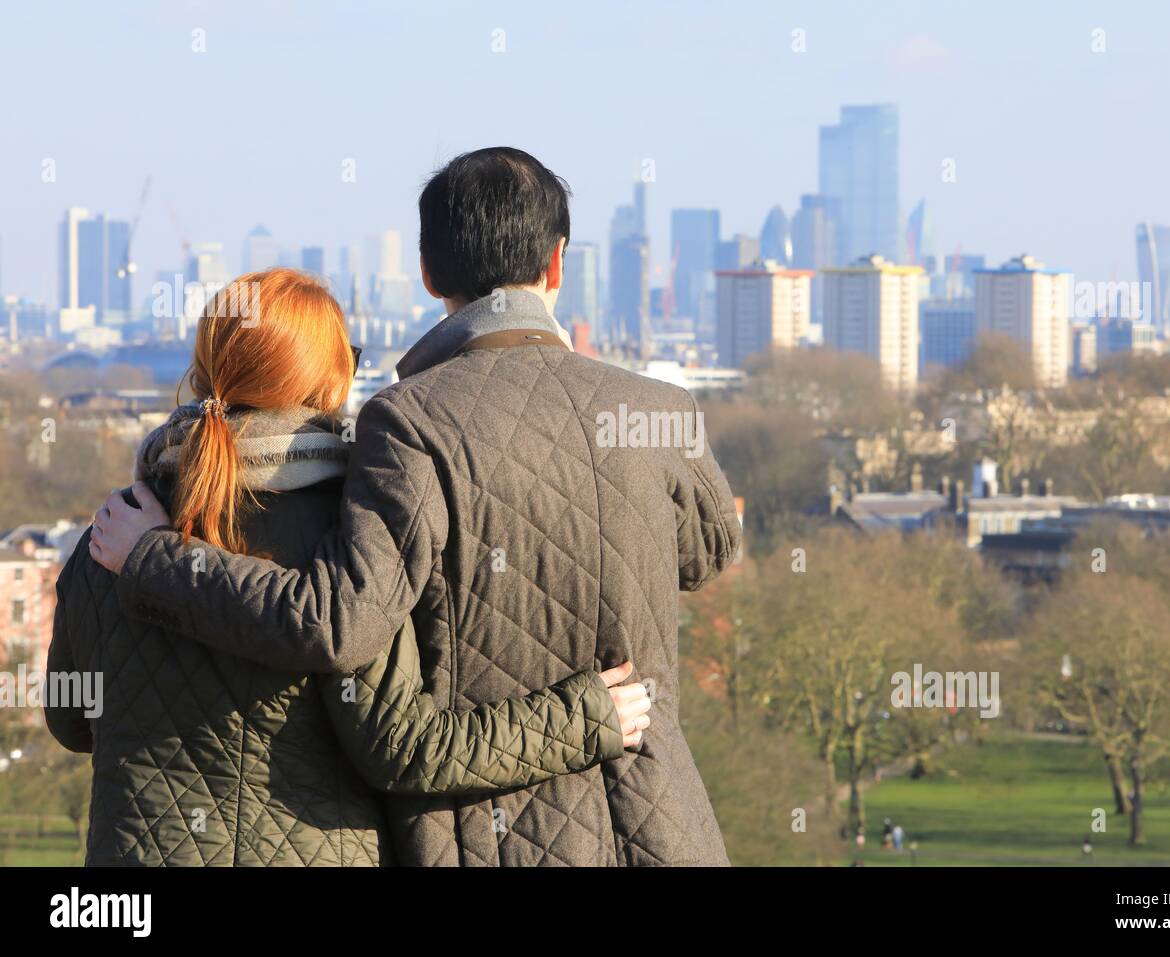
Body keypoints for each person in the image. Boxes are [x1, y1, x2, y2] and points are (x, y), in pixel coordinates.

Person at [90, 147, 741, 866]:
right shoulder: (661, 410)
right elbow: (709, 550)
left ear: (428, 274)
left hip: (484, 837)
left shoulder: (406, 424)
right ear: (558, 265)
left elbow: (343, 622)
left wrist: (154, 558)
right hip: (658, 828)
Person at [47, 268, 651, 866]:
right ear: (327, 379)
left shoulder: (112, 535)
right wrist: (581, 719)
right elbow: (404, 747)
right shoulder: (352, 542)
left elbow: (70, 718)